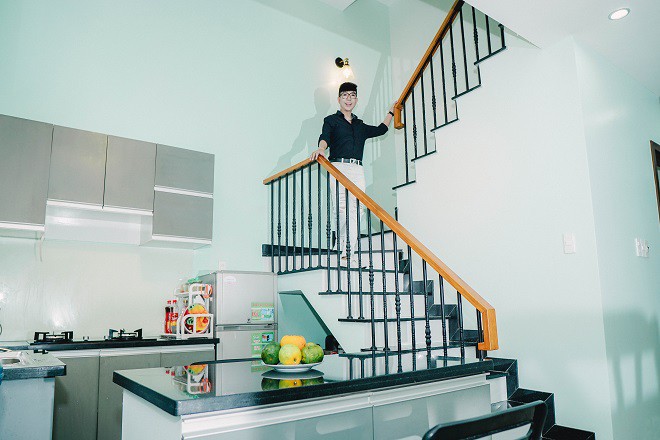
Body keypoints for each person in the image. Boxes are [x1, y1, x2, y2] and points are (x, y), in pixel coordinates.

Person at [310, 82, 394, 266]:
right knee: (341, 208)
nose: (349, 99)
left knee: (357, 209)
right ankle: (341, 246)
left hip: (357, 170)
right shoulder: (331, 120)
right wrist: (321, 148)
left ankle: (348, 252)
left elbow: (381, 129)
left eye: (352, 95)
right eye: (345, 95)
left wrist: (391, 112)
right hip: (338, 167)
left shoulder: (360, 125)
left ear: (356, 100)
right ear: (339, 99)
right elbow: (324, 137)